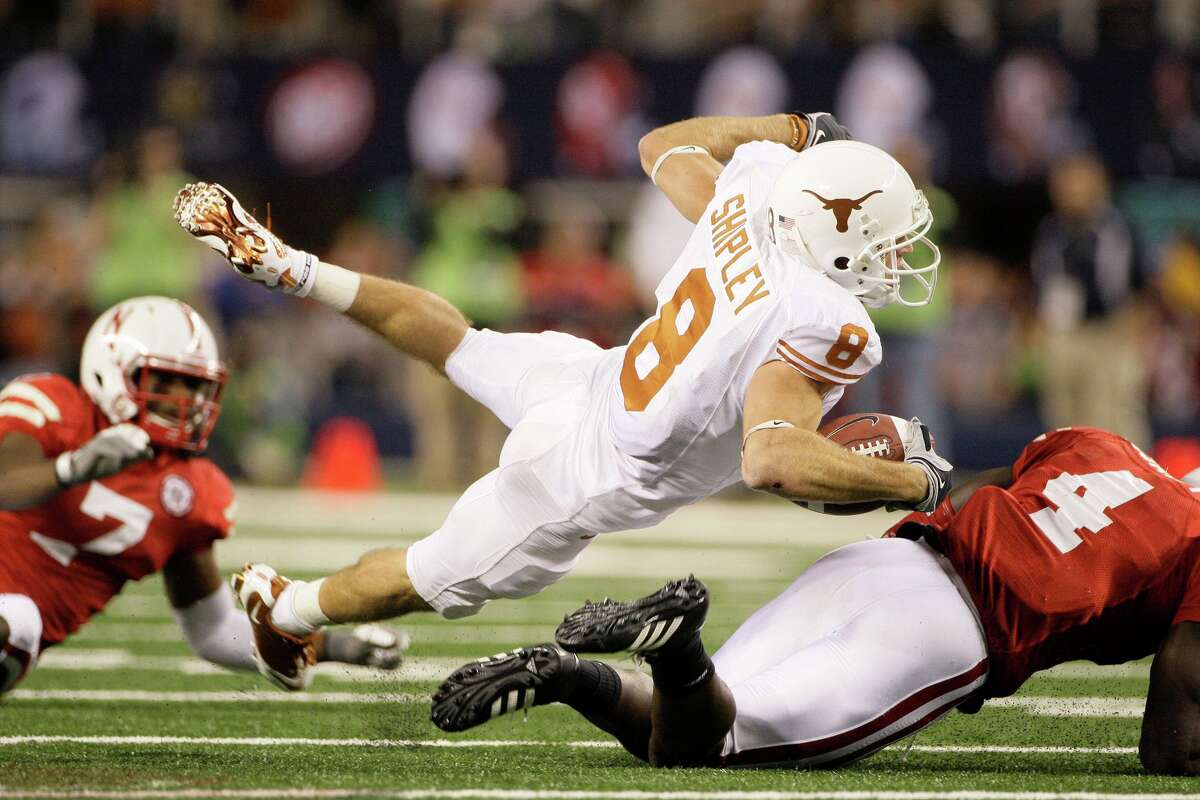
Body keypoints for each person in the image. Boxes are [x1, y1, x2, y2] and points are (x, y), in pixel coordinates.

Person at [173, 112, 951, 690]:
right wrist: (917, 483)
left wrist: (790, 128)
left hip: (590, 380)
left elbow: (661, 147)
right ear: (838, 235)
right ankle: (290, 609)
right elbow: (772, 457)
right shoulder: (827, 318)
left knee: (460, 343)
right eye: (887, 240)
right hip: (580, 476)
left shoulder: (747, 203)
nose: (899, 258)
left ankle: (297, 269)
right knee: (426, 578)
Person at [431, 426, 1200, 776]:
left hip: (880, 560)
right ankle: (672, 645)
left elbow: (971, 490)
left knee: (690, 728)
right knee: (714, 747)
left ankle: (578, 674)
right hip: (948, 634)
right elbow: (1169, 736)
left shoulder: (1105, 446)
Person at [0, 296, 406, 694]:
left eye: (193, 385)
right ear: (112, 373)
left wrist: (332, 646)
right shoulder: (56, 407)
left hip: (13, 629)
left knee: (19, 623)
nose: (183, 400)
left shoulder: (187, 492)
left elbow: (212, 629)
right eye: (164, 381)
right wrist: (72, 467)